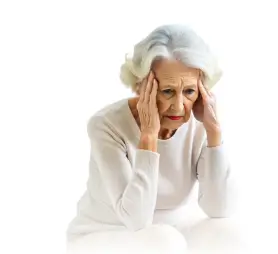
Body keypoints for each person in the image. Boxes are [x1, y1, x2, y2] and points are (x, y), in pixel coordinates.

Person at [66, 24, 244, 254]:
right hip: (104, 234)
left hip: (172, 233)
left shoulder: (198, 124)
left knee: (228, 232)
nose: (179, 106)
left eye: (189, 91)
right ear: (142, 87)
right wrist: (148, 137)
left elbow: (221, 208)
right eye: (167, 91)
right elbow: (136, 219)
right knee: (165, 242)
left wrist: (214, 132)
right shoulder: (106, 125)